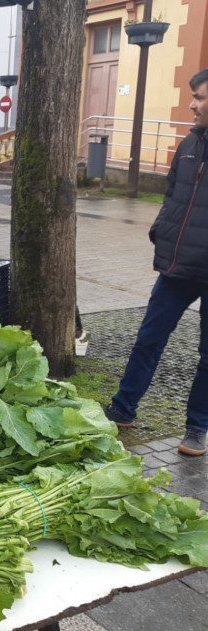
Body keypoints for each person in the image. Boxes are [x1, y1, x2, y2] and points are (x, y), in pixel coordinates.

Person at [103, 68, 208, 456]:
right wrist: (161, 229)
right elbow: (170, 193)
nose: (192, 104)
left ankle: (197, 428)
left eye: (199, 97)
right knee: (148, 339)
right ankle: (122, 409)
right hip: (178, 266)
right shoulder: (189, 144)